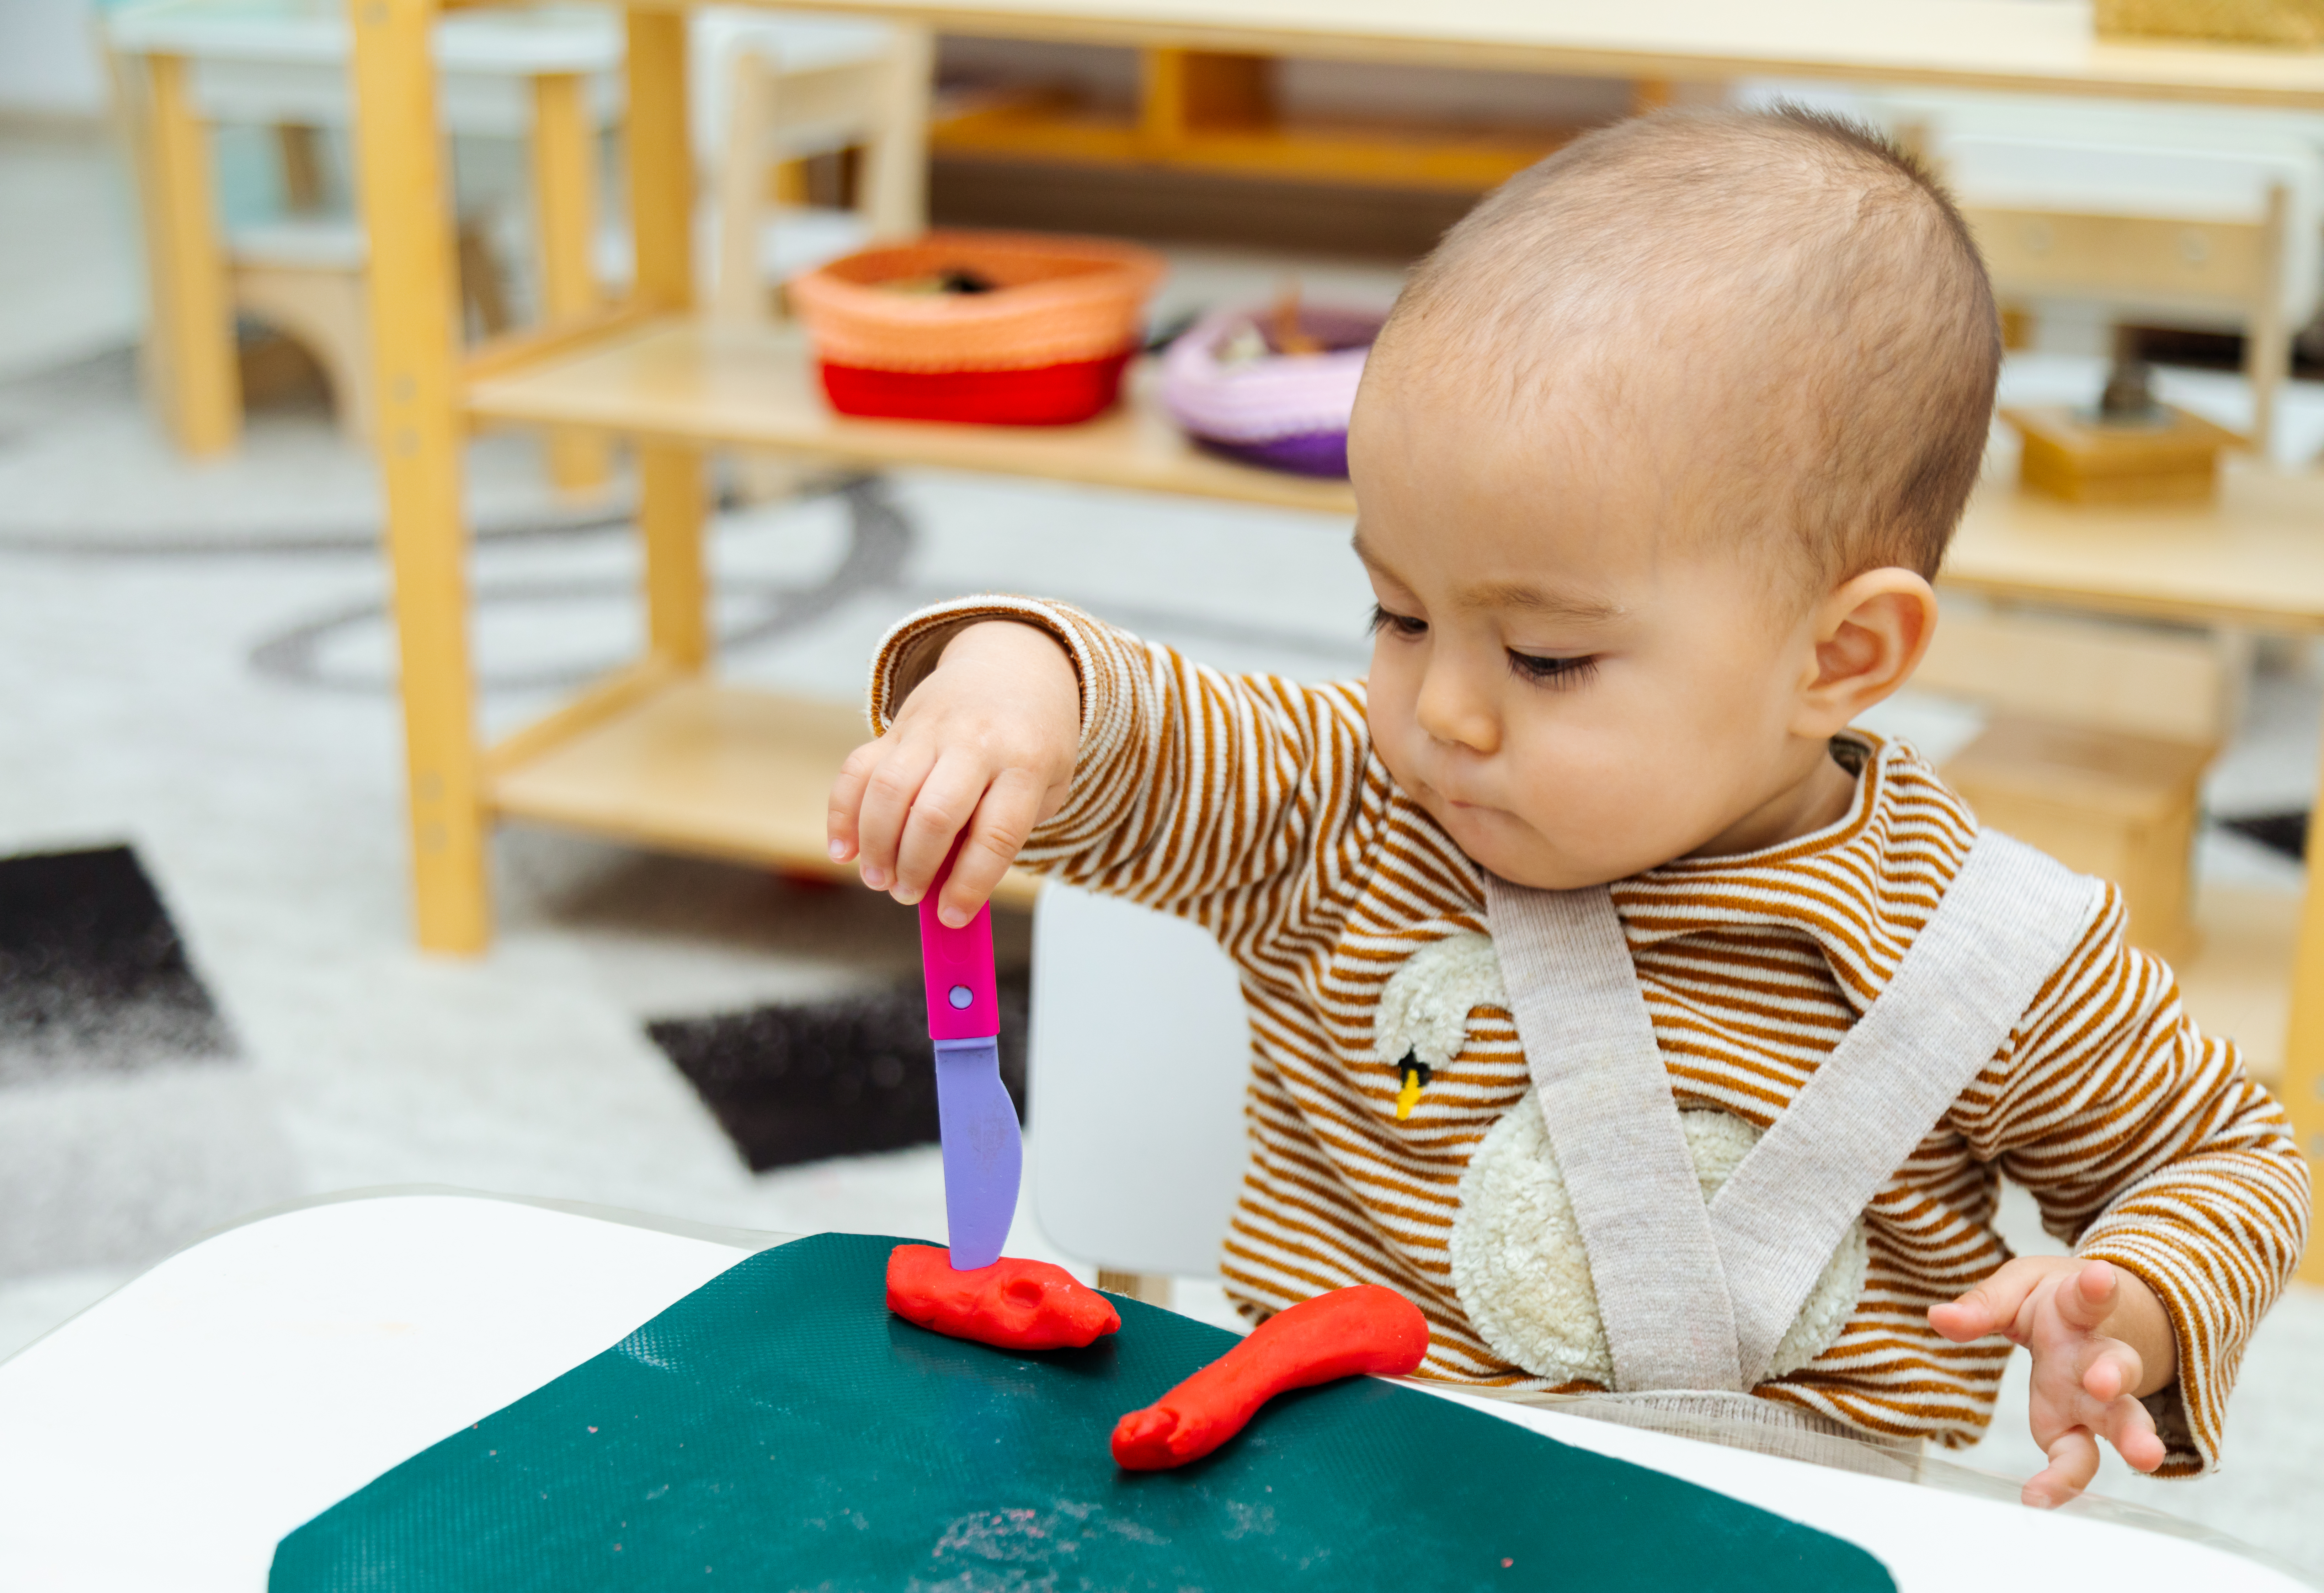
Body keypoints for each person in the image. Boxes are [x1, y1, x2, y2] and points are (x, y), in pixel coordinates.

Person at [822, 107, 2306, 1508]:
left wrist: (2148, 1303)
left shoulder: (1994, 954)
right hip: (1331, 1504)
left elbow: (2232, 1156)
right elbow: (1134, 726)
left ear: (1839, 656)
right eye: (1398, 614)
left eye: (1544, 656)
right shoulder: (1345, 805)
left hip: (1760, 1546)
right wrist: (1003, 685)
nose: (1443, 710)